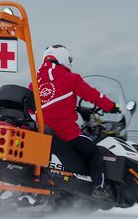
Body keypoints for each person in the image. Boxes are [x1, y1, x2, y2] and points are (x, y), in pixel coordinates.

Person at [32, 44, 120, 200]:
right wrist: (112, 107)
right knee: (94, 152)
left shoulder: (35, 80)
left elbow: (32, 110)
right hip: (65, 132)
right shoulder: (71, 78)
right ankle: (98, 187)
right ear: (64, 58)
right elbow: (93, 95)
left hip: (40, 130)